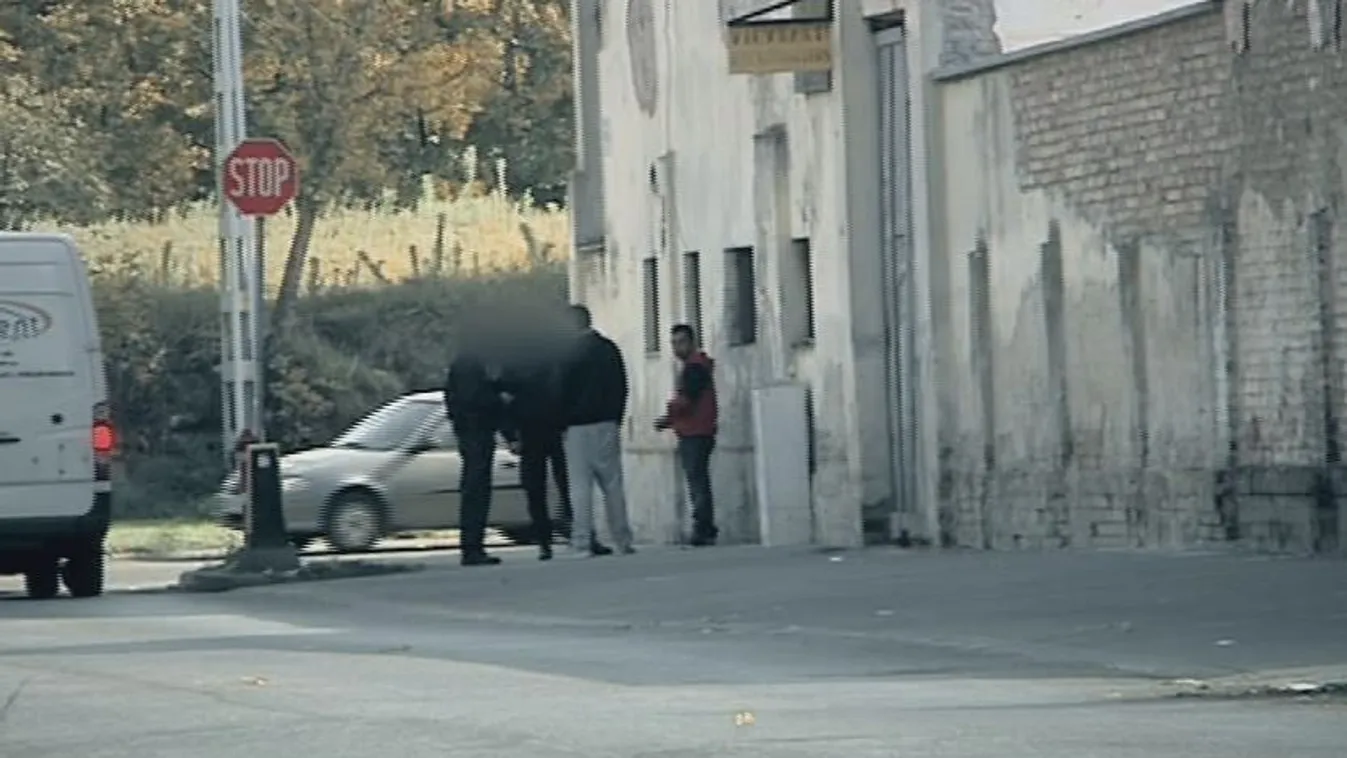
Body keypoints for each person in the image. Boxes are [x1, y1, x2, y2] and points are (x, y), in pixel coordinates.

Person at [557, 304, 635, 557]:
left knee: (580, 486)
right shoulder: (608, 349)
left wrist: (561, 423)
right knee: (613, 484)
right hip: (607, 423)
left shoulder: (568, 353)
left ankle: (582, 541)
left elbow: (559, 390)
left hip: (577, 426)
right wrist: (616, 416)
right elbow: (622, 385)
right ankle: (622, 539)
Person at [499, 331, 574, 561]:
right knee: (564, 484)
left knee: (537, 488)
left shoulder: (514, 365)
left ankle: (545, 539)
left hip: (531, 432)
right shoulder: (552, 361)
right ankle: (573, 531)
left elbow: (504, 403)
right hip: (551, 429)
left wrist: (510, 435)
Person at [444, 340, 508, 566]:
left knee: (475, 487)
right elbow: (477, 398)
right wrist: (498, 397)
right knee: (477, 488)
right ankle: (472, 547)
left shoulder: (462, 364)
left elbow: (453, 401)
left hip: (469, 431)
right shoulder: (472, 365)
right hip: (477, 431)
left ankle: (473, 545)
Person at [655, 323, 719, 546]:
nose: (676, 348)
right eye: (673, 343)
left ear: (692, 343)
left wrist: (667, 417)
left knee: (697, 481)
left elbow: (686, 401)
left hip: (695, 431)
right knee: (699, 479)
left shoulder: (694, 368)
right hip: (698, 429)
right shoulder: (696, 366)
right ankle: (705, 527)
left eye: (681, 342)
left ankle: (703, 528)